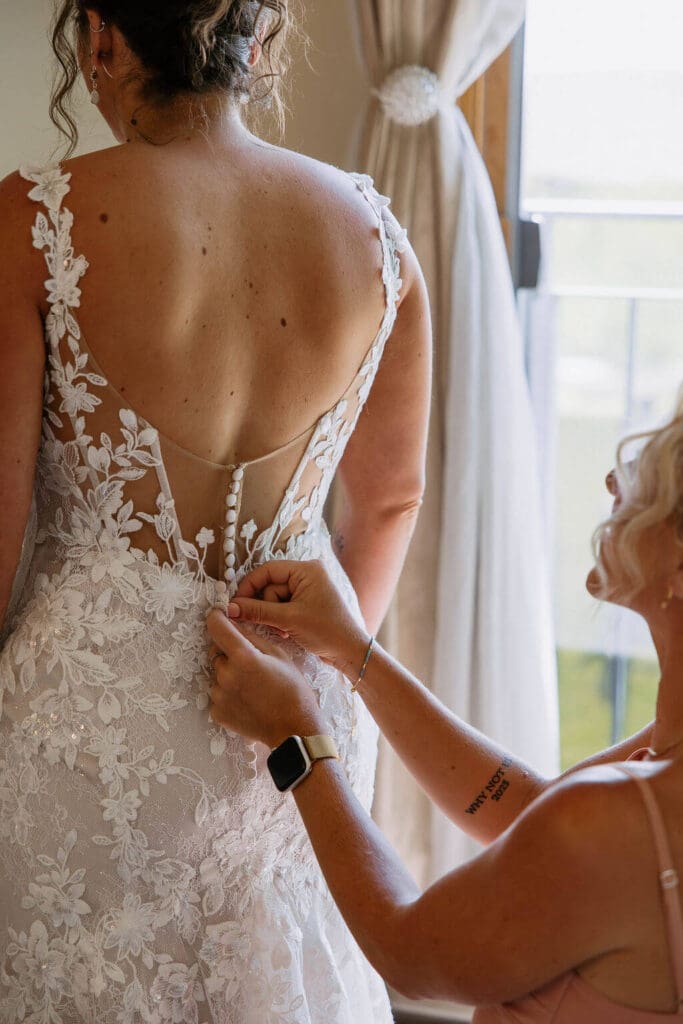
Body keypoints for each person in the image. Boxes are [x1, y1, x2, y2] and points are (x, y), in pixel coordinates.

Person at [0, 2, 431, 1020]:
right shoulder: (376, 238)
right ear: (257, 41)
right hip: (291, 720)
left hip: (88, 730)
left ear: (101, 37)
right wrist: (324, 665)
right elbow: (390, 499)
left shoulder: (33, 220)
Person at [206, 394, 683, 1021]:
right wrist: (353, 649)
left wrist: (297, 738)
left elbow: (407, 949)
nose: (615, 480)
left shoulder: (615, 823)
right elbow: (529, 809)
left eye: (656, 466)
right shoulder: (656, 764)